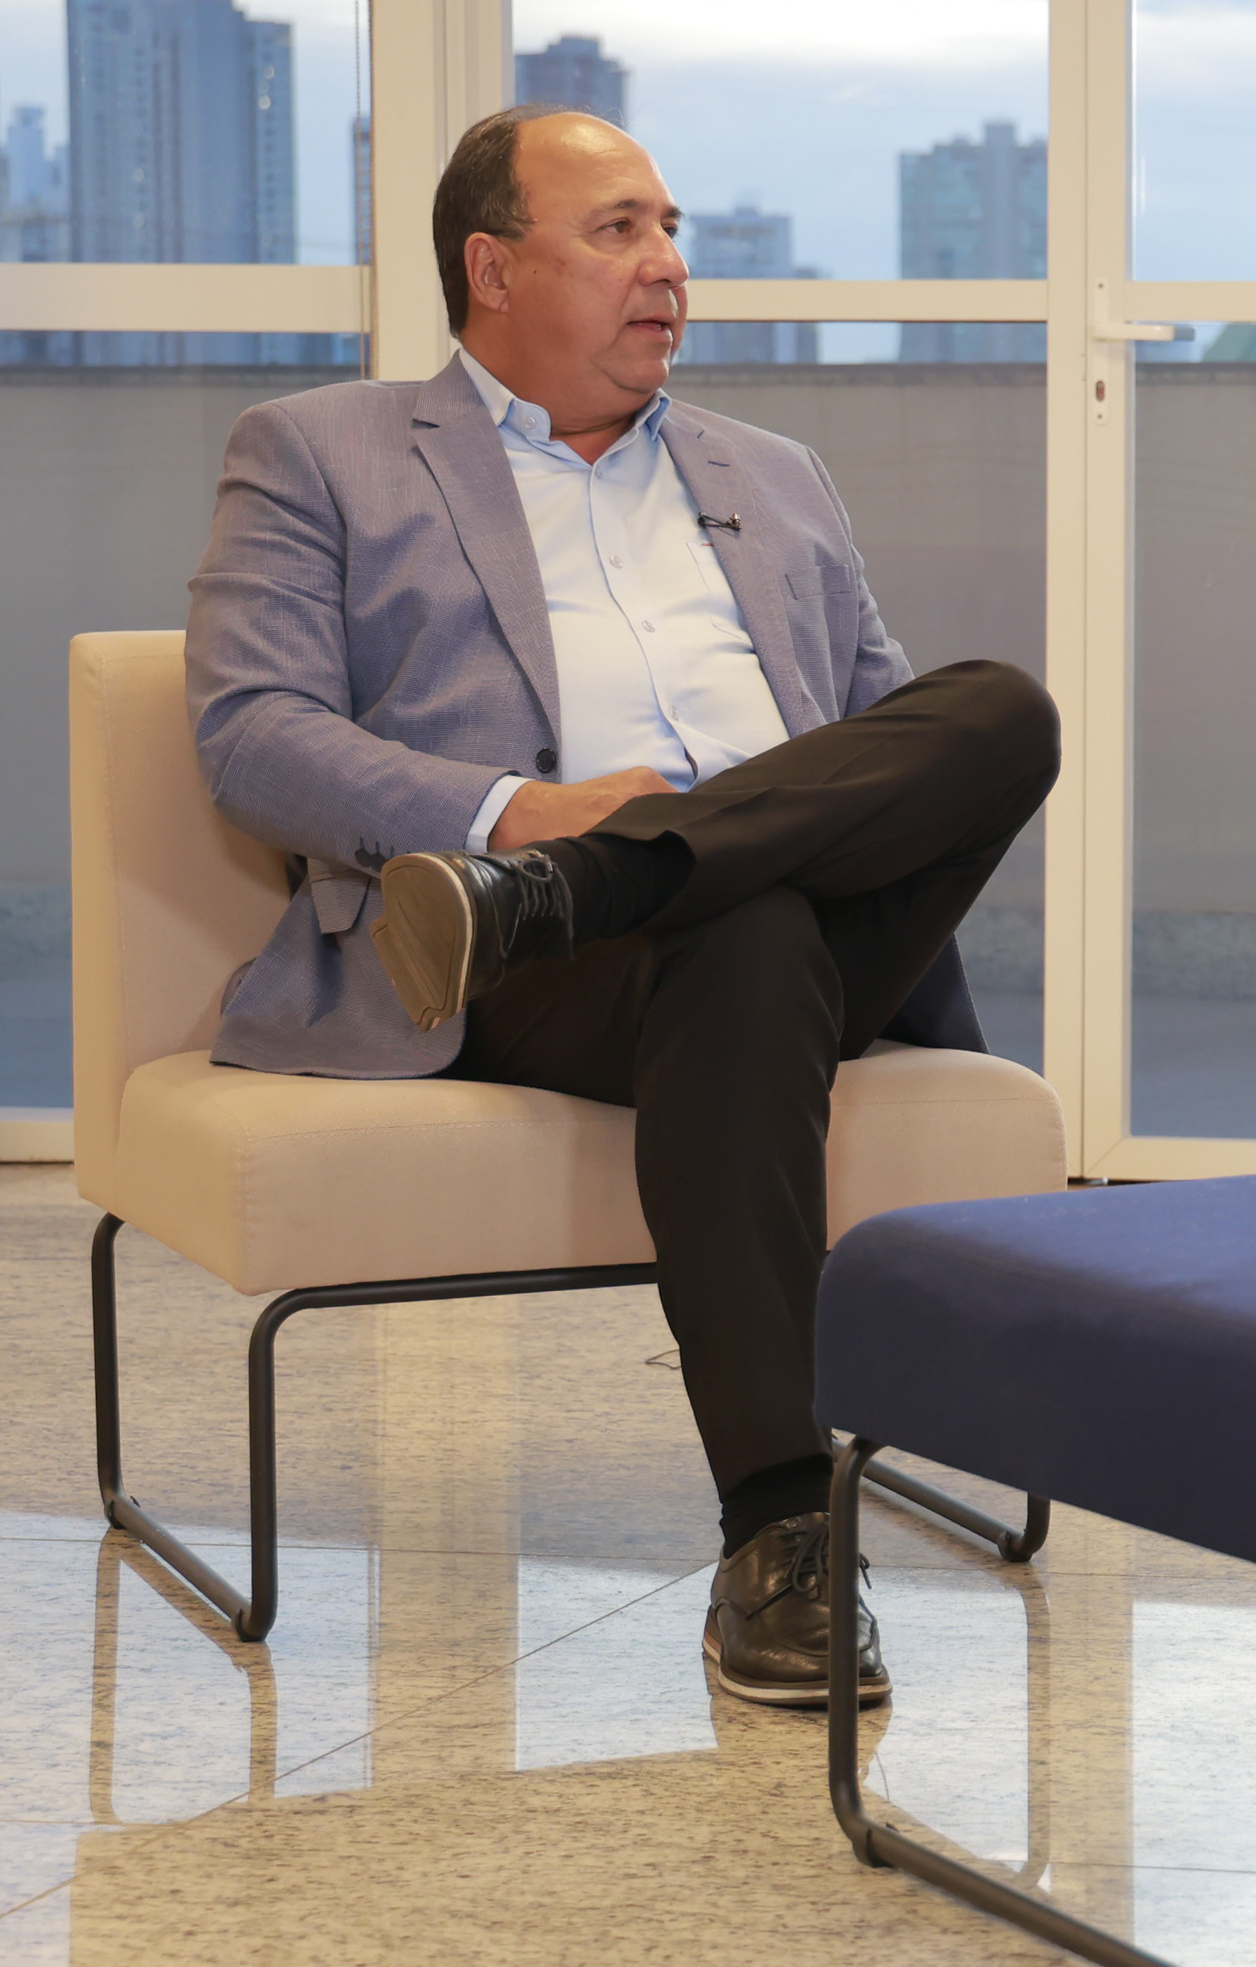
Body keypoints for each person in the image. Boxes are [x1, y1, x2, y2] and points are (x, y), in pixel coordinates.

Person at [184, 104, 1060, 1709]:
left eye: (671, 231)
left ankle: (604, 877)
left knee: (1003, 708)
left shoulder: (774, 473)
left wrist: (655, 842)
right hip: (543, 970)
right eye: (618, 231)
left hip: (738, 917)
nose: (667, 267)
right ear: (491, 267)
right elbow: (251, 731)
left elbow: (885, 733)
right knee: (743, 931)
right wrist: (515, 817)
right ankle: (782, 1532)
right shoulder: (319, 450)